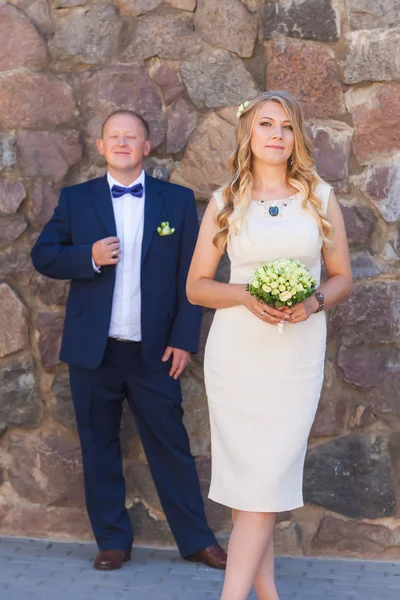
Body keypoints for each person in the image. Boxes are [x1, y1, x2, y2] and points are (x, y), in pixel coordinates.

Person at [31, 110, 227, 572]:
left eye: (131, 136)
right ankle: (113, 541)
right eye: (113, 136)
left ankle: (197, 540)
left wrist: (184, 339)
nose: (122, 142)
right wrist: (89, 257)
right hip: (93, 351)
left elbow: (192, 275)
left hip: (155, 351)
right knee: (98, 445)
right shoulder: (76, 200)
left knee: (171, 446)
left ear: (146, 146)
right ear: (101, 147)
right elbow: (44, 255)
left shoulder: (176, 202)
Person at [186, 91, 352, 599]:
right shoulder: (224, 202)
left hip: (295, 355)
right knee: (249, 488)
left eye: (285, 126)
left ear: (296, 137)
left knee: (263, 483)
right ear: (249, 135)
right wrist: (245, 294)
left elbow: (343, 276)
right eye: (265, 125)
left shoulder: (319, 198)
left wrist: (313, 302)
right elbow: (197, 286)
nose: (276, 134)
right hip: (237, 356)